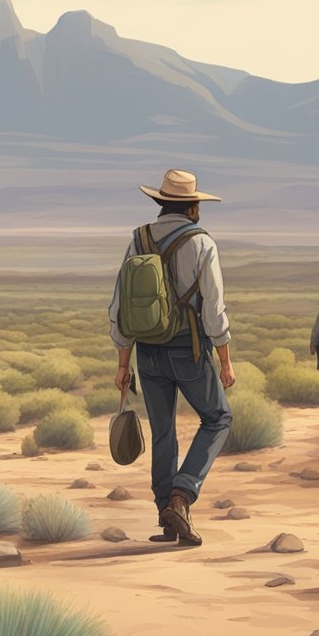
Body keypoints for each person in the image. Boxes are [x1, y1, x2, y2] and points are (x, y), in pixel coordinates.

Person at [110, 169, 234, 547]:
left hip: (147, 350)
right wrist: (226, 359)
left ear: (161, 203)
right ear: (193, 206)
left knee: (164, 433)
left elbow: (120, 306)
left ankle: (166, 516)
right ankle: (183, 494)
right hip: (189, 349)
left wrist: (122, 363)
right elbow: (213, 309)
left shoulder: (139, 239)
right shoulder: (202, 243)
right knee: (217, 417)